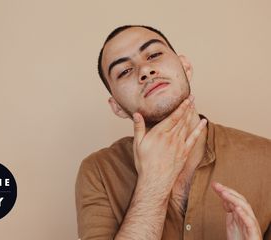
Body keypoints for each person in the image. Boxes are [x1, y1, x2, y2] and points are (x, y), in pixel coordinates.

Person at [75, 25, 271, 240]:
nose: (145, 71)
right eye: (124, 71)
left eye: (154, 54)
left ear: (185, 67)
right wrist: (153, 185)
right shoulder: (99, 171)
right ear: (117, 107)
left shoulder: (266, 158)